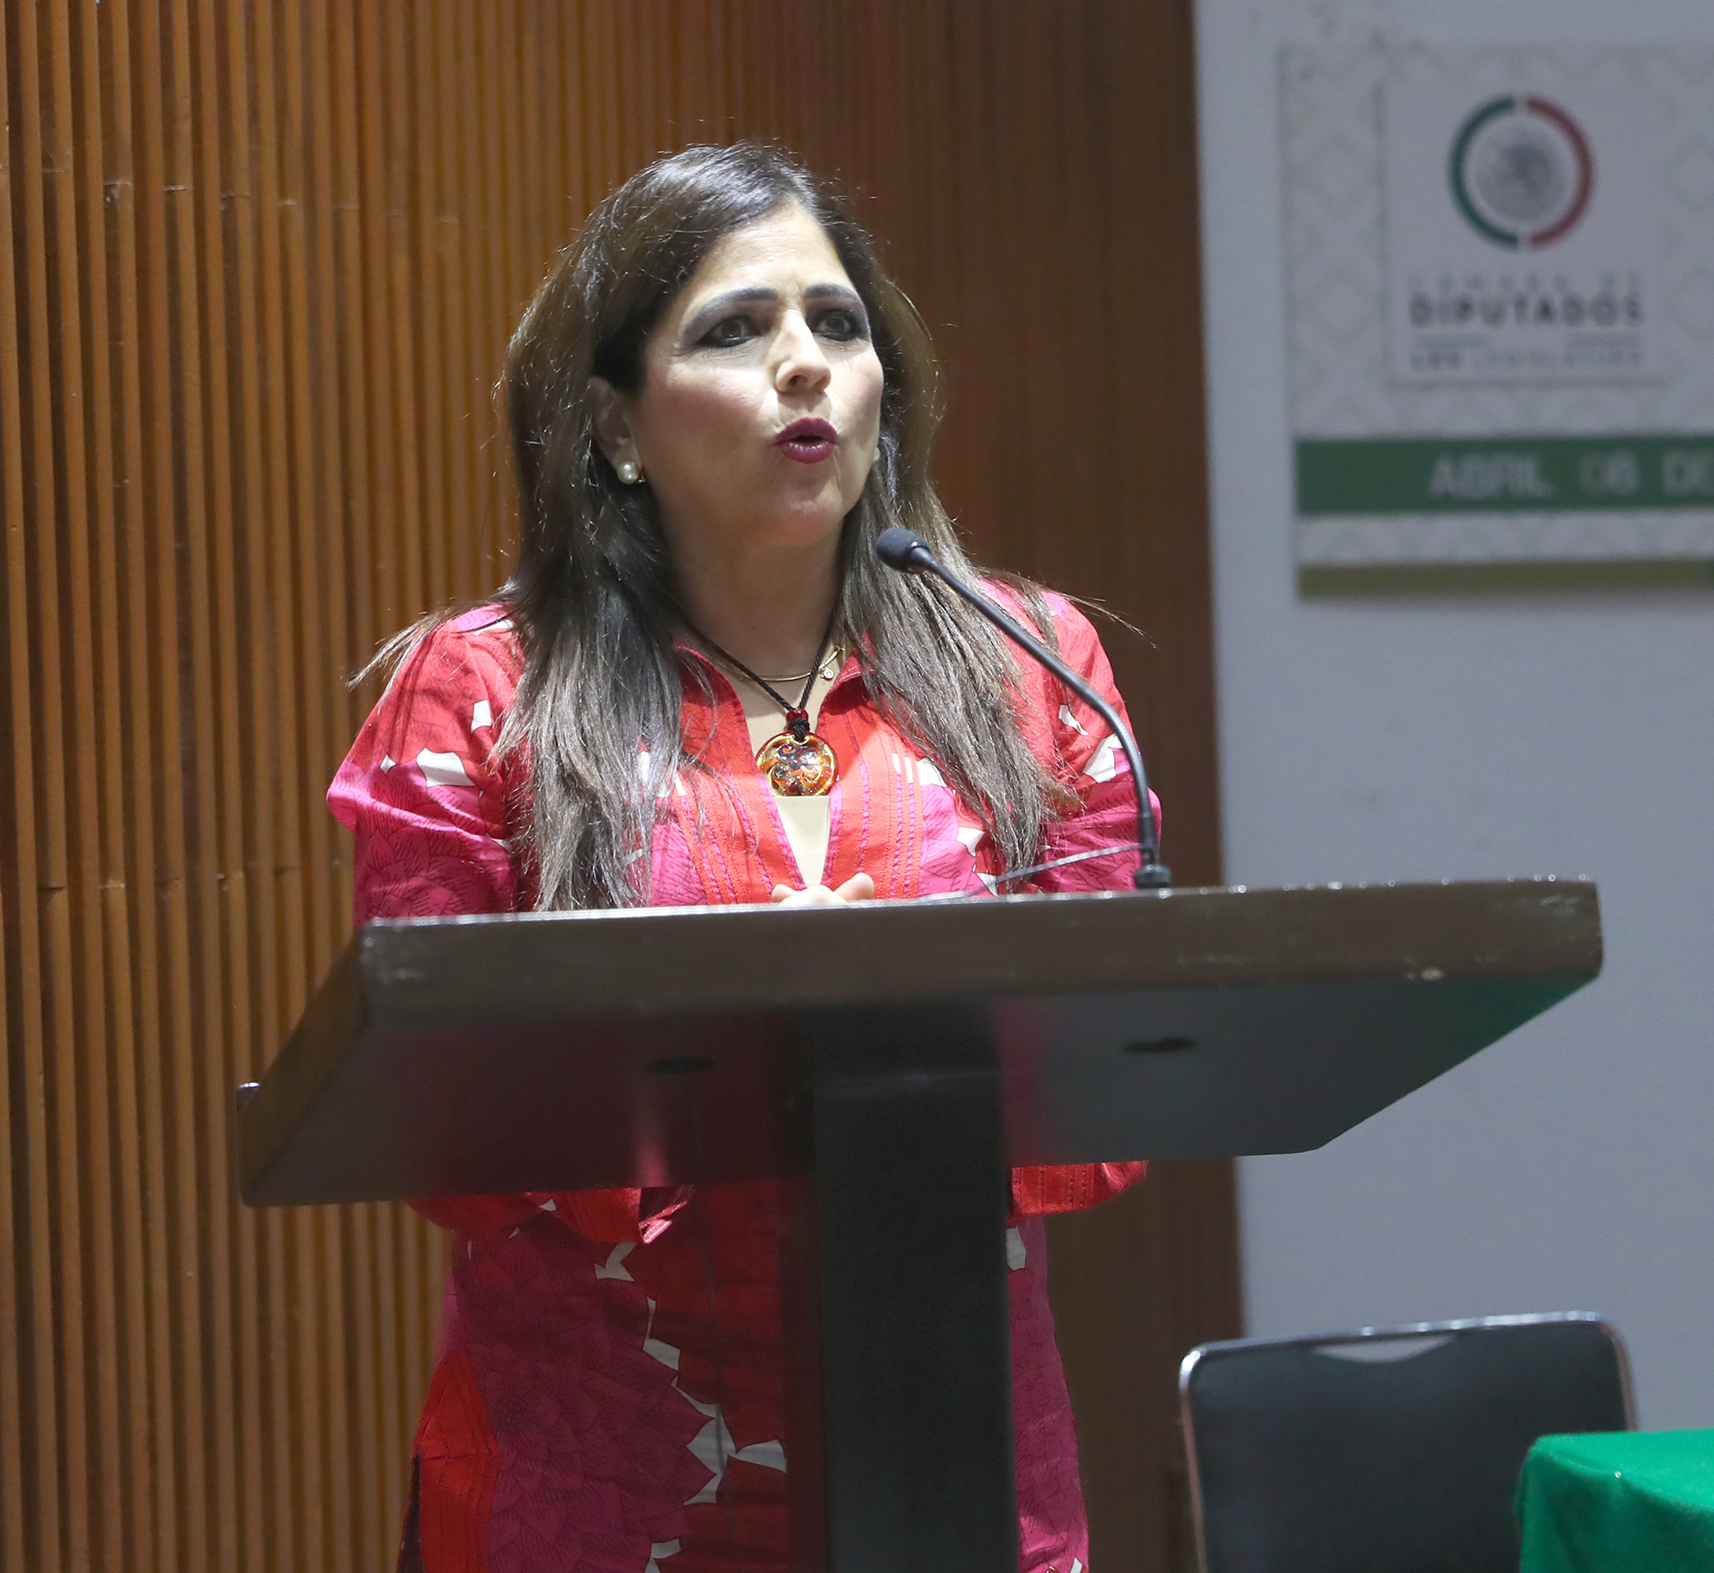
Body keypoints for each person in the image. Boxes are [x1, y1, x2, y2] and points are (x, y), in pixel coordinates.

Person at [330, 142, 1154, 1573]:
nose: (805, 363)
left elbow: (1103, 1094)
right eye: (733, 329)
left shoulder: (1032, 666)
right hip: (600, 1483)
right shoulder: (482, 693)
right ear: (616, 424)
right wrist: (754, 1036)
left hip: (953, 1468)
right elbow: (443, 1121)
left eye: (837, 322)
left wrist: (874, 1036)